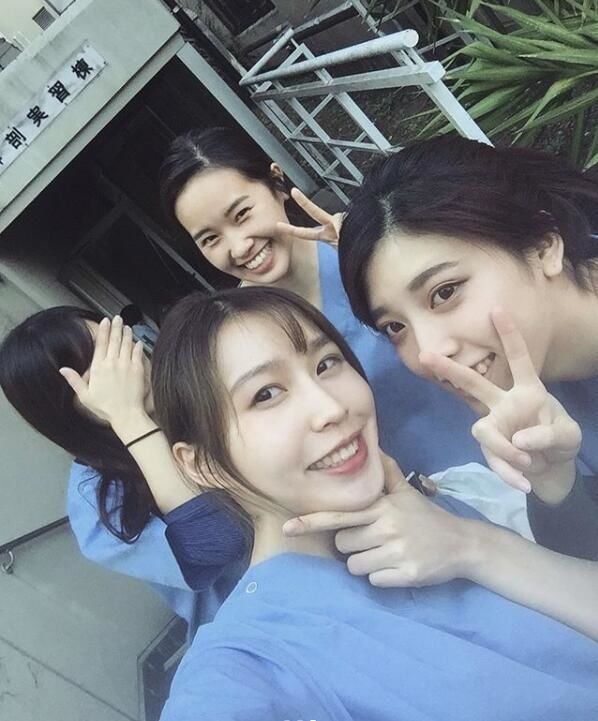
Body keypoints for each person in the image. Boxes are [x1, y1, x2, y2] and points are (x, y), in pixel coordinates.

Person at [151, 287, 598, 721]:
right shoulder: (250, 659)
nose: (330, 407)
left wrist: (472, 543)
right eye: (266, 394)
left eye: (326, 363)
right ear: (204, 464)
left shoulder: (431, 509)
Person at [159, 126, 533, 537]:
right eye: (210, 239)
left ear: (277, 183)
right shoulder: (238, 337)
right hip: (419, 521)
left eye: (242, 214)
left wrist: (375, 261)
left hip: (519, 448)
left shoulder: (366, 257)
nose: (239, 246)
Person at [337, 135, 598, 559]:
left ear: (543, 248)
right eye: (395, 327)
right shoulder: (534, 399)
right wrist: (554, 484)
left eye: (445, 292)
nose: (429, 354)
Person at [0, 307, 245, 624]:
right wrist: (128, 416)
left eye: (112, 347)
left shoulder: (198, 379)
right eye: (96, 374)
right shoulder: (94, 501)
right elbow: (220, 540)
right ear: (60, 410)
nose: (122, 371)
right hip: (264, 617)